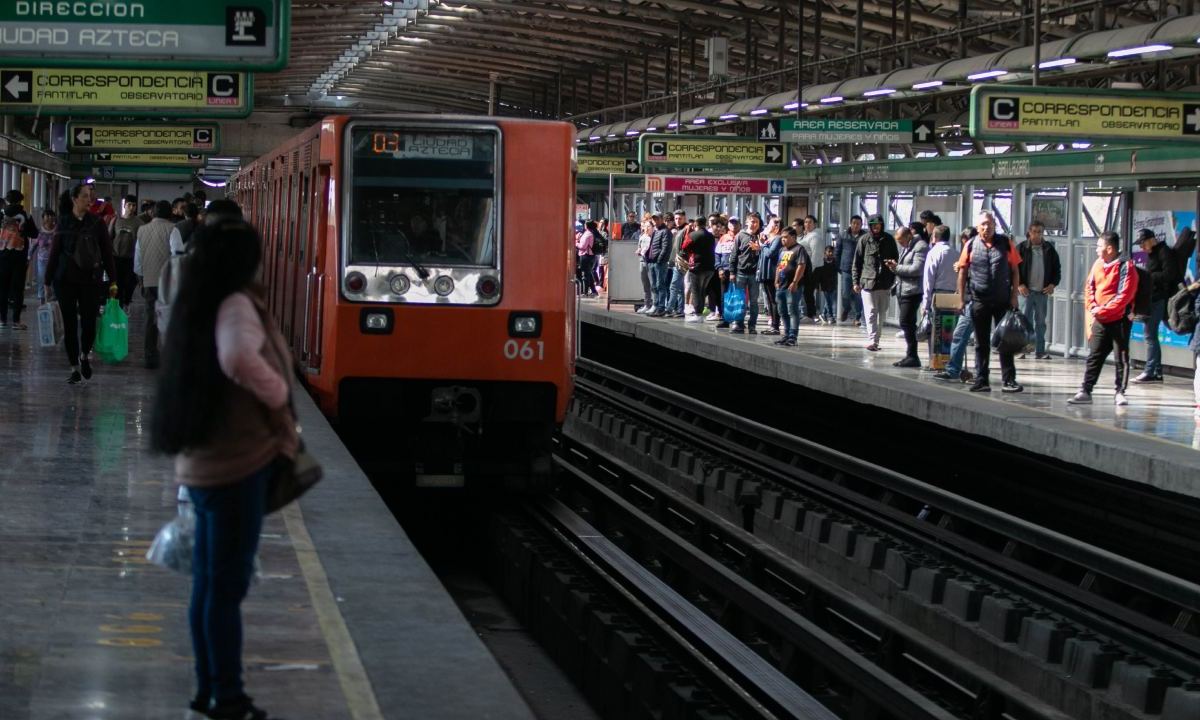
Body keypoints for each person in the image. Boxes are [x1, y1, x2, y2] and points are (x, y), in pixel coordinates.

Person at [150, 218, 296, 720]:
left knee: (207, 586)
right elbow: (238, 357)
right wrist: (278, 391)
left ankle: (205, 688)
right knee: (225, 590)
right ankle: (228, 697)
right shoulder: (235, 304)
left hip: (202, 464)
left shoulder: (198, 300)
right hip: (235, 466)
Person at [44, 183, 117, 384]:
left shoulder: (97, 223)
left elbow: (107, 253)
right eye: (84, 196)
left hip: (90, 280)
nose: (89, 199)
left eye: (90, 196)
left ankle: (84, 355)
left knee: (88, 323)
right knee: (69, 324)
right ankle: (74, 367)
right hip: (65, 280)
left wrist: (113, 280)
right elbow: (54, 253)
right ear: (74, 199)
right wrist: (47, 281)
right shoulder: (63, 222)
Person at [1068, 232, 1140, 406]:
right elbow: (1089, 287)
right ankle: (1086, 390)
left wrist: (1103, 310)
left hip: (1119, 320)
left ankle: (1120, 392)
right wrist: (1093, 307)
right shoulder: (1098, 264)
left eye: (1099, 246)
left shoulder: (1126, 266)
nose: (1097, 250)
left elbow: (1125, 295)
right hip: (1100, 319)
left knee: (1120, 356)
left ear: (1109, 248)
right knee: (1095, 355)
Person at [957, 211, 1022, 393]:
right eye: (983, 224)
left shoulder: (1006, 244)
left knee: (1005, 341)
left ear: (995, 225)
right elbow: (962, 272)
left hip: (1003, 300)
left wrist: (1014, 296)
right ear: (978, 227)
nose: (987, 227)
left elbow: (1015, 271)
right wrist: (961, 298)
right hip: (980, 300)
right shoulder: (970, 245)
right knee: (981, 342)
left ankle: (1009, 380)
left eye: (990, 224)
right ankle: (981, 380)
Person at [1132, 227, 1180, 383]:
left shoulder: (1163, 252)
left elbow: (1169, 275)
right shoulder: (1154, 254)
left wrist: (1148, 276)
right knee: (1151, 335)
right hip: (1152, 299)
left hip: (1159, 300)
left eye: (1143, 243)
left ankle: (1150, 371)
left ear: (1151, 240)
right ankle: (1157, 372)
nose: (1141, 247)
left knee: (1150, 335)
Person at [135, 201, 178, 368]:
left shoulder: (142, 230)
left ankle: (150, 355)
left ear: (153, 213)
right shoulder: (172, 230)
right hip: (168, 282)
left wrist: (141, 278)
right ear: (170, 215)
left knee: (150, 318)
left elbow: (137, 259)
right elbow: (178, 256)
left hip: (148, 281)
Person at [934, 228, 978, 383]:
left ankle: (954, 369)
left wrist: (962, 269)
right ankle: (979, 372)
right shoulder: (971, 252)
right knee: (979, 337)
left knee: (960, 334)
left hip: (973, 301)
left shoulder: (976, 252)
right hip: (971, 300)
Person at [852, 214, 898, 352]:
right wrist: (856, 281)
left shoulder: (889, 240)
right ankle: (872, 340)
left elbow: (895, 260)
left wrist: (893, 277)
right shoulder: (864, 240)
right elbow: (857, 262)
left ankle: (876, 339)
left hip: (884, 283)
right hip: (868, 283)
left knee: (881, 314)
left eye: (878, 224)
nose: (875, 227)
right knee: (871, 312)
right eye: (873, 224)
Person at [1016, 221, 1061, 360]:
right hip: (1026, 292)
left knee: (1040, 322)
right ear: (1029, 232)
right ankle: (1022, 350)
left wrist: (1053, 284)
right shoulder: (1021, 248)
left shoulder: (1049, 249)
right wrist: (1019, 284)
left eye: (1040, 232)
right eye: (1034, 231)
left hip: (1042, 292)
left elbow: (1057, 269)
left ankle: (1040, 351)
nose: (1037, 235)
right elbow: (1014, 269)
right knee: (1024, 321)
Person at [889, 225, 928, 367]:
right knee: (907, 322)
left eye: (900, 240)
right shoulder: (907, 247)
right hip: (903, 289)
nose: (900, 244)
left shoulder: (920, 246)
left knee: (906, 321)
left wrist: (896, 268)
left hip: (913, 291)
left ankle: (913, 355)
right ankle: (911, 355)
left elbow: (917, 269)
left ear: (908, 236)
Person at [0, 189, 39, 329]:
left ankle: (2, 320)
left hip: (2, 255)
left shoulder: (1, 214)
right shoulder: (25, 214)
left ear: (8, 200)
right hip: (19, 256)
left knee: (2, 289)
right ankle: (16, 321)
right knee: (17, 289)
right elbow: (34, 234)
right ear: (20, 200)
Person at [922, 224, 960, 365]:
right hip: (953, 296)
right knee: (949, 330)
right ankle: (948, 360)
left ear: (935, 237)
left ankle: (935, 361)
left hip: (937, 295)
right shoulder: (956, 253)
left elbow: (928, 279)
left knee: (935, 330)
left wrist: (925, 303)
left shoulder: (933, 253)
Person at [728, 213, 763, 334]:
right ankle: (739, 324)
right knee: (740, 300)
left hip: (755, 274)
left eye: (756, 222)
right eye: (752, 221)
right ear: (747, 222)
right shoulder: (740, 236)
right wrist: (732, 272)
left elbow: (767, 254)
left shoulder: (762, 236)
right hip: (741, 272)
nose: (753, 224)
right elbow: (734, 255)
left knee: (753, 301)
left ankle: (752, 325)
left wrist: (760, 249)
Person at [773, 227, 808, 346]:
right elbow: (779, 266)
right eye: (782, 237)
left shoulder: (799, 249)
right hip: (781, 286)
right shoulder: (782, 250)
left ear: (793, 237)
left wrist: (795, 282)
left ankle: (793, 336)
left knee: (792, 310)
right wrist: (776, 280)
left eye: (786, 237)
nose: (783, 239)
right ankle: (786, 334)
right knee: (782, 311)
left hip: (792, 286)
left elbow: (801, 266)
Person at [110, 194, 143, 310]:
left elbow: (141, 242)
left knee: (129, 284)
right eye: (129, 205)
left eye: (134, 205)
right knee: (116, 284)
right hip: (116, 257)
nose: (131, 207)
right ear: (125, 205)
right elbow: (110, 238)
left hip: (131, 258)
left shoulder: (139, 223)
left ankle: (126, 303)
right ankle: (117, 307)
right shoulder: (116, 220)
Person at [682, 220, 716, 323]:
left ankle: (698, 314)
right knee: (702, 290)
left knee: (696, 290)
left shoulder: (693, 235)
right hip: (710, 267)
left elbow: (684, 247)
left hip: (696, 266)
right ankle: (700, 312)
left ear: (696, 224)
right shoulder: (711, 236)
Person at [835, 215, 866, 325]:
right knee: (845, 293)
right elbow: (837, 252)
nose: (855, 225)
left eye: (858, 223)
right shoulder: (843, 235)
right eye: (854, 223)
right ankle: (846, 308)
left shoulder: (865, 236)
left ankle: (857, 317)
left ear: (861, 225)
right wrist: (838, 266)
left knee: (858, 294)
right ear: (850, 223)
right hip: (846, 268)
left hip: (860, 269)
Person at [757, 216, 784, 334]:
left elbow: (770, 253)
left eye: (770, 224)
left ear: (777, 227)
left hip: (771, 273)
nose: (767, 227)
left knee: (773, 300)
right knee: (769, 299)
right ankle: (773, 324)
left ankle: (775, 326)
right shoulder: (769, 239)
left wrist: (762, 245)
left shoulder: (777, 239)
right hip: (765, 272)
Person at [797, 215, 826, 322]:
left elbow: (816, 255)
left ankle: (810, 314)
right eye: (805, 222)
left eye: (810, 222)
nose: (807, 224)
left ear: (815, 224)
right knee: (806, 292)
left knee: (808, 292)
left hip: (813, 269)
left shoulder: (815, 237)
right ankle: (807, 313)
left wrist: (809, 270)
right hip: (807, 268)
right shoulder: (807, 235)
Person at [646, 214, 672, 317]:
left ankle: (661, 307)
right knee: (654, 285)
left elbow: (666, 248)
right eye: (654, 219)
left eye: (657, 219)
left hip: (659, 262)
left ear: (662, 219)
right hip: (652, 261)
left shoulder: (665, 231)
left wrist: (659, 259)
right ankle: (655, 305)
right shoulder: (656, 231)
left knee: (660, 285)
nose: (655, 221)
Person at [713, 216, 737, 327]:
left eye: (736, 223)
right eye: (731, 223)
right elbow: (717, 254)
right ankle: (726, 319)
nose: (733, 225)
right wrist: (719, 268)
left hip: (737, 272)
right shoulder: (723, 238)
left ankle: (737, 320)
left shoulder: (741, 236)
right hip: (724, 271)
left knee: (737, 296)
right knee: (724, 296)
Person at [29, 210, 56, 304]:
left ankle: (53, 300)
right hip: (42, 260)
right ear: (43, 218)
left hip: (55, 261)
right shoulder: (39, 232)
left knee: (53, 281)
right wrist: (29, 257)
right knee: (42, 280)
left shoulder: (57, 231)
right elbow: (33, 246)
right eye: (46, 216)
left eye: (51, 216)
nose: (49, 218)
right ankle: (42, 300)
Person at [665, 210, 689, 317]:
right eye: (676, 218)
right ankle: (680, 309)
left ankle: (669, 308)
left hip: (681, 261)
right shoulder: (676, 230)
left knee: (674, 286)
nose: (677, 221)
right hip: (674, 260)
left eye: (680, 218)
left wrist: (682, 257)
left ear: (684, 218)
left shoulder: (686, 229)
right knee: (679, 287)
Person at [813, 245, 837, 324]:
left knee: (829, 301)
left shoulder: (835, 262)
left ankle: (823, 314)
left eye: (832, 252)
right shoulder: (821, 262)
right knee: (828, 300)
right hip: (824, 284)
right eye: (829, 252)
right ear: (825, 253)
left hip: (833, 284)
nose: (830, 253)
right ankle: (830, 316)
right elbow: (817, 275)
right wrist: (816, 286)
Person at [636, 218, 655, 312]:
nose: (646, 228)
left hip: (651, 263)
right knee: (645, 285)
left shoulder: (654, 237)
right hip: (642, 262)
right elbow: (639, 247)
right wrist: (639, 251)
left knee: (653, 285)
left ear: (653, 227)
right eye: (645, 226)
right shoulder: (642, 237)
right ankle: (646, 305)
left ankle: (654, 305)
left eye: (649, 226)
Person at [576, 221, 598, 296]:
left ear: (587, 225)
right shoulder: (591, 233)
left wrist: (576, 243)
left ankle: (584, 292)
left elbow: (583, 246)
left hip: (585, 255)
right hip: (590, 255)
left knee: (585, 274)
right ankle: (593, 290)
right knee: (588, 273)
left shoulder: (587, 234)